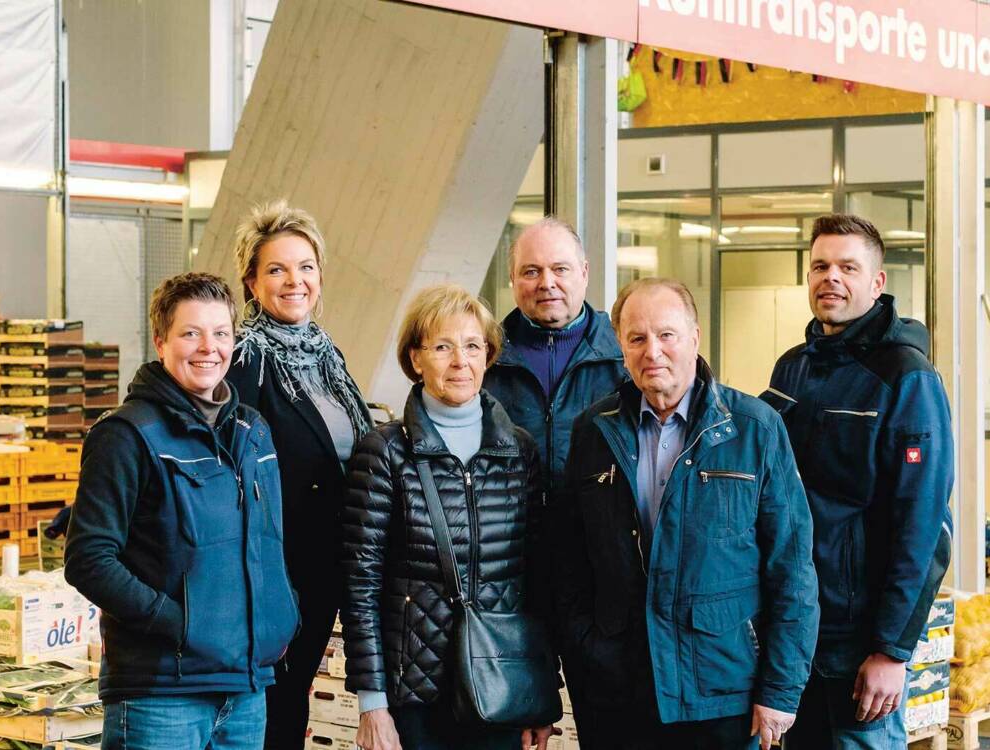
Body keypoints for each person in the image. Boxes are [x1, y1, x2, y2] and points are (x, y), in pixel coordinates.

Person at [554, 277, 819, 750]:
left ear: (695, 338)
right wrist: (586, 647)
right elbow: (570, 561)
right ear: (621, 346)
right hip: (619, 689)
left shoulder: (754, 429)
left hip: (721, 690)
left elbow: (792, 569)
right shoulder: (593, 431)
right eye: (637, 338)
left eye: (666, 335)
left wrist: (781, 689)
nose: (652, 351)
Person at [64, 272, 298, 749]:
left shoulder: (253, 431)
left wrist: (281, 613)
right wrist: (180, 624)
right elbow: (89, 559)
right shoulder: (126, 436)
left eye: (221, 333)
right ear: (160, 340)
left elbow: (269, 542)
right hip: (161, 695)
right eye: (190, 333)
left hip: (246, 689)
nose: (207, 348)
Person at [762, 214, 954, 749]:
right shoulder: (791, 369)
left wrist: (892, 651)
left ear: (877, 282)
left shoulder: (907, 376)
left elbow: (926, 526)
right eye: (820, 266)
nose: (831, 278)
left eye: (848, 267)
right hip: (794, 626)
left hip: (858, 638)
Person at [341, 284, 557, 750]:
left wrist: (543, 693)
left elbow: (537, 579)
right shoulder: (384, 452)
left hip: (500, 682)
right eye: (443, 346)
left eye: (473, 346)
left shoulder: (517, 450)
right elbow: (360, 586)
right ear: (416, 359)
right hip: (415, 695)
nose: (461, 361)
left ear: (488, 356)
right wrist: (372, 703)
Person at [225, 199, 373, 750]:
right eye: (277, 269)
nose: (295, 281)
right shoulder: (246, 359)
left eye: (306, 266)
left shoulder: (325, 357)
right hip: (279, 569)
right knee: (274, 703)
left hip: (327, 561)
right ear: (251, 281)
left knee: (294, 696)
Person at [482, 217, 626, 496]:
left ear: (584, 273)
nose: (547, 283)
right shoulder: (484, 359)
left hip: (595, 535)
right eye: (531, 272)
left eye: (560, 269)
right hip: (508, 534)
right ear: (512, 278)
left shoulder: (624, 358)